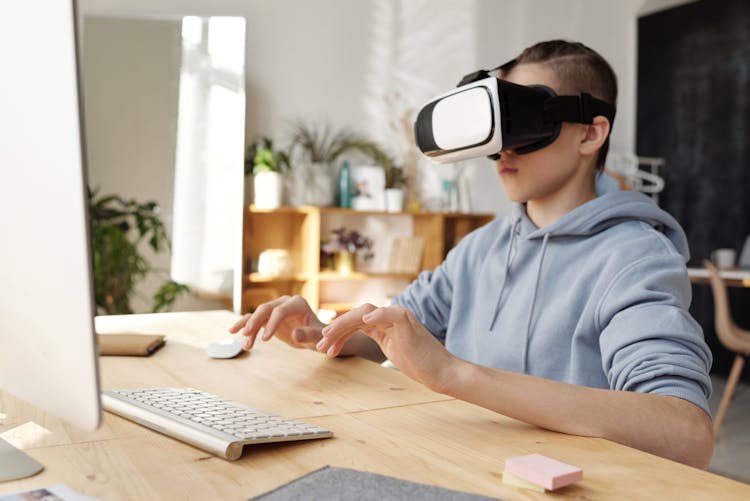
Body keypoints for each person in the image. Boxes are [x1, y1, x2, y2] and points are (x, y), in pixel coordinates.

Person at [230, 40, 714, 468]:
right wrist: (325, 330)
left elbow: (685, 432)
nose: (503, 149)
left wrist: (453, 373)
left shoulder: (633, 256)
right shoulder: (482, 246)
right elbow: (394, 335)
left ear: (591, 133)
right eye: (499, 127)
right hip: (460, 468)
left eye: (524, 123)